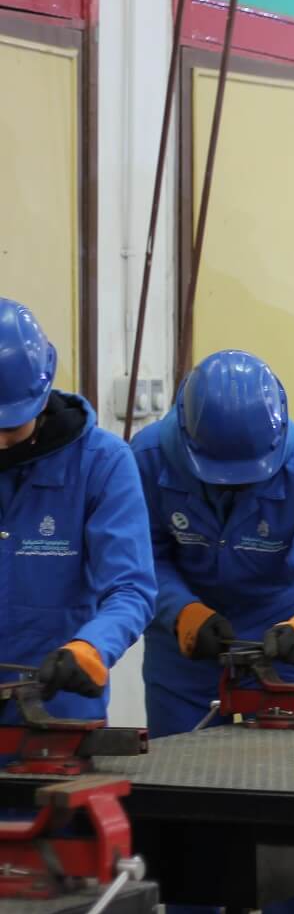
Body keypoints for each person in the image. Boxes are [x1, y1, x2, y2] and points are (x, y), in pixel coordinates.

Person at [132, 351, 294, 914]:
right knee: (185, 824)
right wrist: (180, 610)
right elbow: (141, 558)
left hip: (283, 648)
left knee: (290, 826)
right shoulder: (147, 457)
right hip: (184, 651)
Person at [0, 298, 155, 727]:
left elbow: (131, 588)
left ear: (41, 397)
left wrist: (92, 647)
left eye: (10, 427)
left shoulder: (101, 463)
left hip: (58, 710)